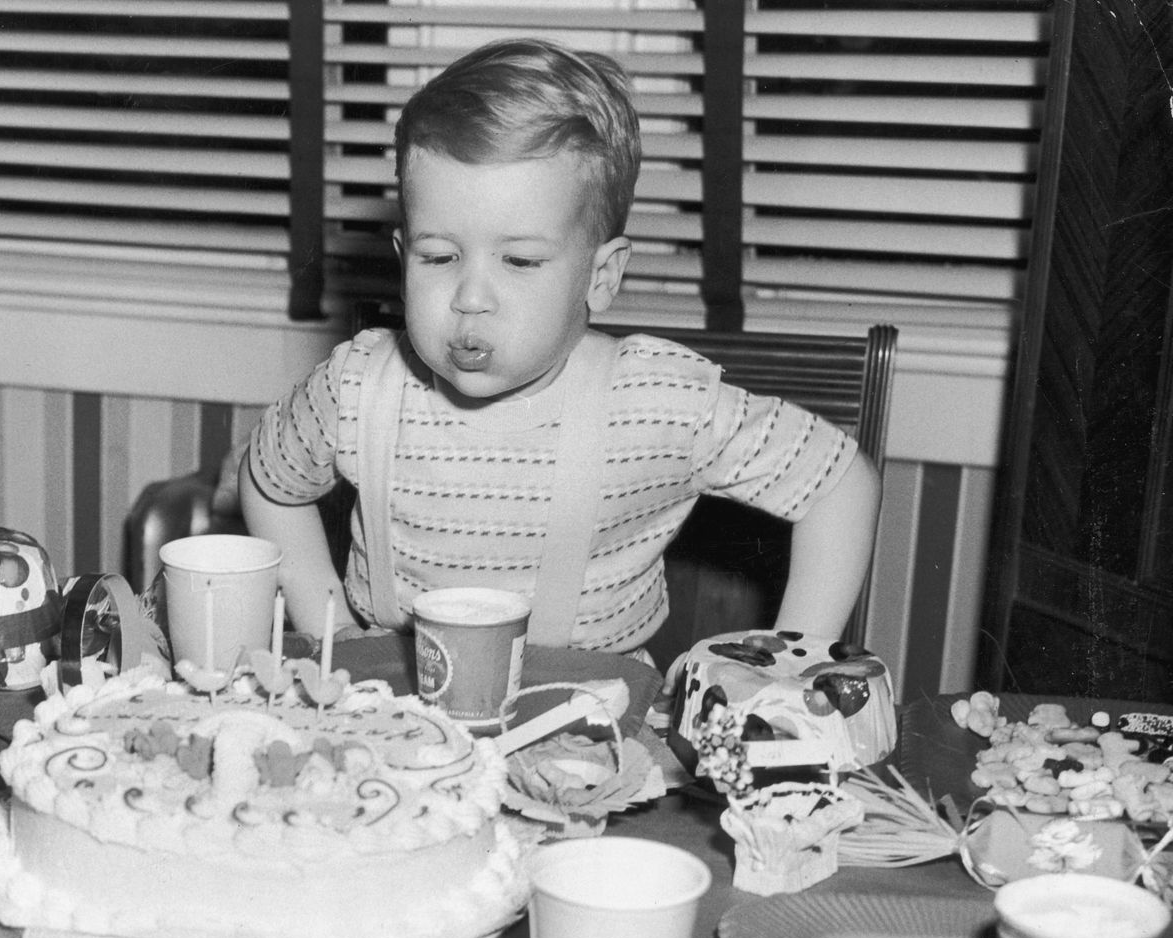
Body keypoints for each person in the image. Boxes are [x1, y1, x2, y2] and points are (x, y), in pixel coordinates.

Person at [241, 37, 880, 659]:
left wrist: (796, 663)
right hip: (390, 699)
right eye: (439, 256)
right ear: (405, 257)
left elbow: (839, 483)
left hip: (592, 717)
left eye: (519, 260)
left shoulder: (657, 400)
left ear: (600, 277)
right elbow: (270, 479)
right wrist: (328, 625)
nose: (470, 297)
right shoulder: (357, 386)